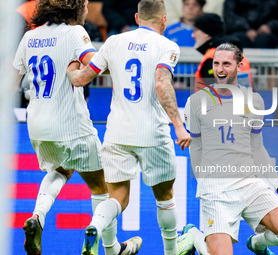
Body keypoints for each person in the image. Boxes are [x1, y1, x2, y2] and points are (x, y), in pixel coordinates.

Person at [13, 1, 141, 254]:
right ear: (73, 8)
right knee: (102, 187)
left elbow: (11, 81)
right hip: (71, 124)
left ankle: (37, 216)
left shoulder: (30, 36)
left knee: (61, 169)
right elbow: (93, 62)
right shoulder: (74, 33)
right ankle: (108, 246)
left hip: (37, 124)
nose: (86, 8)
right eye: (83, 4)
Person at [66, 0, 192, 254]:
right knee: (165, 196)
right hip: (152, 133)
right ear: (164, 20)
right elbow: (161, 84)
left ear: (136, 17)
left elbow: (81, 79)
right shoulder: (167, 46)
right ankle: (170, 252)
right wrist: (179, 126)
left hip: (117, 133)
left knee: (117, 198)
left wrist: (71, 70)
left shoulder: (113, 42)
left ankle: (95, 226)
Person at [182, 43, 278, 255]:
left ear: (239, 65)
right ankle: (194, 236)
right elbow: (195, 148)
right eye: (216, 64)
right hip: (216, 189)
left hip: (250, 182)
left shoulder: (254, 100)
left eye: (226, 64)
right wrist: (205, 183)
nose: (220, 69)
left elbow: (257, 148)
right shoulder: (196, 102)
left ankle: (257, 244)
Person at [192, 13, 252, 91]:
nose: (193, 35)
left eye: (196, 30)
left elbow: (216, 93)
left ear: (206, 33)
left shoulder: (213, 57)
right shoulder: (239, 55)